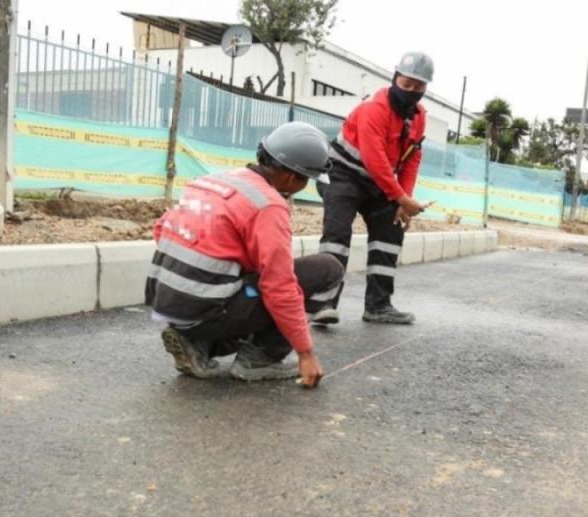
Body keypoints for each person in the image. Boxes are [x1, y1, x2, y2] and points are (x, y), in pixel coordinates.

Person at [145, 122, 344, 389]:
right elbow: (280, 287)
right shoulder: (268, 205)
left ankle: (197, 343)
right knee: (326, 269)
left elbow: (162, 230)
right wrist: (306, 353)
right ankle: (259, 358)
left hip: (166, 302)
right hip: (206, 311)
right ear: (292, 177)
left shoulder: (210, 181)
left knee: (252, 280)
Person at [312, 52, 434, 326]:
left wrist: (404, 200)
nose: (412, 91)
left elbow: (412, 156)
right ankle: (323, 304)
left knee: (390, 231)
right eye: (407, 84)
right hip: (342, 173)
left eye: (419, 87)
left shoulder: (419, 116)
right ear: (395, 78)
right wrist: (400, 196)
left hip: (377, 182)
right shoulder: (374, 109)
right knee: (337, 235)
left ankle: (378, 306)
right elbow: (374, 159)